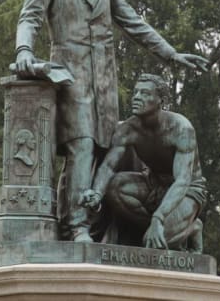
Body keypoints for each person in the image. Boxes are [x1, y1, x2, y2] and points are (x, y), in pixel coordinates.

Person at [14, 0, 208, 242]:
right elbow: (29, 17)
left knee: (107, 152)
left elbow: (135, 23)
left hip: (105, 81)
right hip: (69, 77)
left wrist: (171, 54)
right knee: (82, 146)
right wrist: (24, 52)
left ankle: (98, 227)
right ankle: (75, 225)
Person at [80, 74, 206, 252]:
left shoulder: (181, 129)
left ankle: (192, 227)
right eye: (136, 92)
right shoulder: (127, 129)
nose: (137, 97)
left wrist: (159, 218)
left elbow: (182, 180)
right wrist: (97, 194)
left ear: (160, 100)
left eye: (145, 93)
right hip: (153, 184)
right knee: (115, 187)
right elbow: (109, 167)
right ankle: (157, 227)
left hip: (186, 191)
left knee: (154, 245)